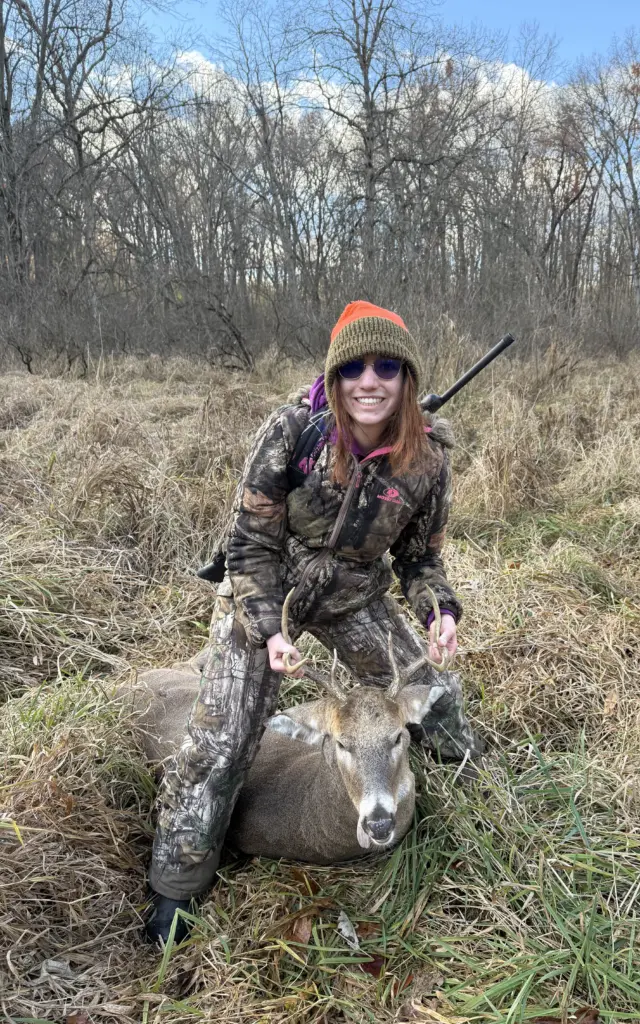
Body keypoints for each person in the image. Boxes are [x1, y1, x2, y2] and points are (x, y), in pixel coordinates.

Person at [145, 301, 483, 944]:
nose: (369, 381)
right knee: (220, 744)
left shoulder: (428, 456)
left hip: (353, 596)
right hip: (267, 593)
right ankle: (177, 886)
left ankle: (473, 808)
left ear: (406, 377)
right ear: (334, 376)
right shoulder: (293, 430)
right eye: (353, 368)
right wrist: (269, 629)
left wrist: (439, 611)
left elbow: (420, 559)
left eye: (386, 367)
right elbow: (248, 545)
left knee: (438, 700)